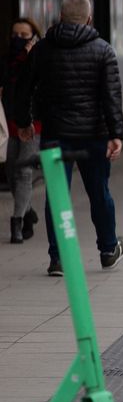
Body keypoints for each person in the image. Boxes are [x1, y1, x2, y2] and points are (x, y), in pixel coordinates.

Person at [13, 0, 123, 277]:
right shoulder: (103, 51)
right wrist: (116, 134)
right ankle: (108, 250)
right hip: (95, 135)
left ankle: (58, 258)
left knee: (56, 196)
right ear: (89, 19)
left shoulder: (41, 50)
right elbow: (111, 97)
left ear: (60, 17)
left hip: (55, 133)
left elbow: (23, 87)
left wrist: (24, 122)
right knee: (99, 192)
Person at [2, 18, 42, 244]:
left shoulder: (40, 58)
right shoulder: (6, 61)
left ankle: (16, 222)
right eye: (14, 35)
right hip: (9, 121)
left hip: (33, 122)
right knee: (10, 170)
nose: (18, 39)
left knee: (24, 171)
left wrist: (30, 58)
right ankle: (27, 212)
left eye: (23, 35)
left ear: (34, 36)